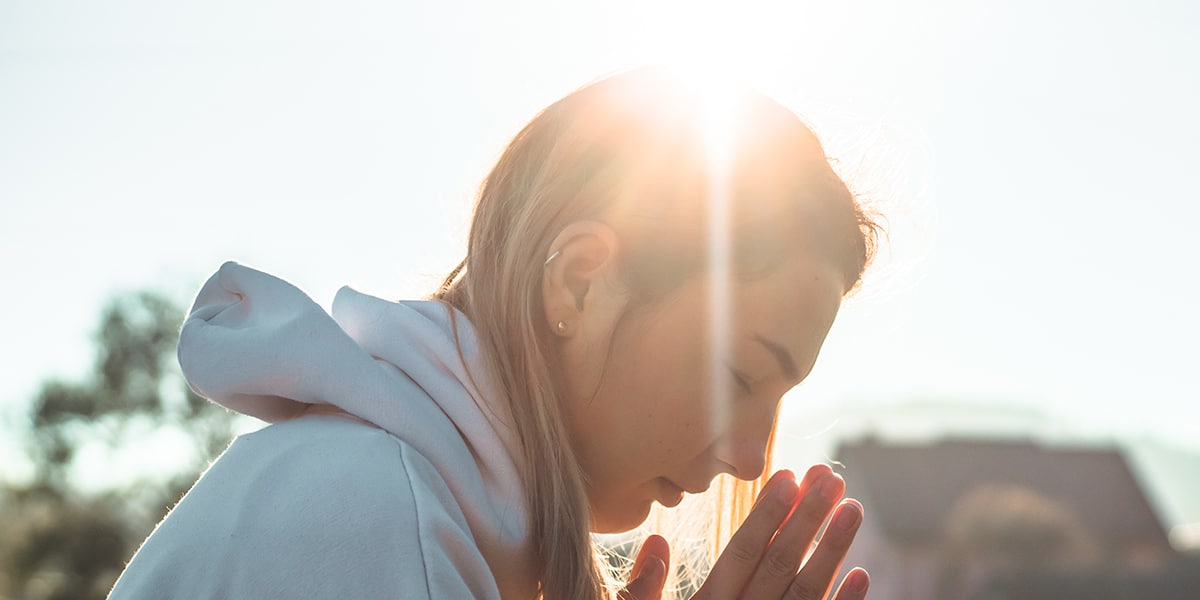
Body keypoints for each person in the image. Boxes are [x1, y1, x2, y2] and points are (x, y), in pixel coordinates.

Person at [108, 67, 881, 599]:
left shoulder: (423, 507)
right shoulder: (365, 511)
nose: (751, 453)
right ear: (579, 280)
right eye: (740, 376)